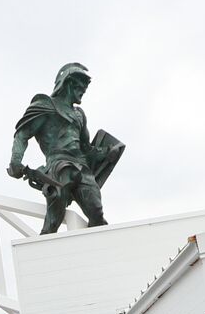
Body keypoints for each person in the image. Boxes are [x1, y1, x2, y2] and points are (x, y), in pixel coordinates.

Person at [8, 62, 124, 235]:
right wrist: (15, 161)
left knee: (97, 213)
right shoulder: (45, 105)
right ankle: (44, 245)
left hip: (82, 167)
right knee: (54, 218)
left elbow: (86, 148)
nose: (83, 91)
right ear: (68, 83)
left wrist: (107, 153)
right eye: (80, 87)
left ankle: (96, 247)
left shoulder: (79, 115)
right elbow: (22, 135)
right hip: (58, 165)